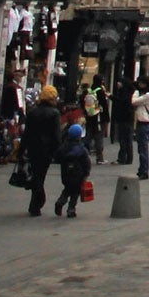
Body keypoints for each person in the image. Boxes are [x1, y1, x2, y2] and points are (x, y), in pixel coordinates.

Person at [22, 83, 63, 217]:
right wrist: (58, 152)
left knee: (37, 175)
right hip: (47, 150)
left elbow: (26, 132)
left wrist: (21, 149)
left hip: (33, 148)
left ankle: (34, 204)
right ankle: (37, 203)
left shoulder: (33, 111)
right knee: (40, 176)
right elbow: (57, 135)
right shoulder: (54, 113)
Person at [52, 123, 91, 217]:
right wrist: (86, 173)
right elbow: (87, 163)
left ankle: (60, 202)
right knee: (75, 193)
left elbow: (57, 157)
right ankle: (71, 209)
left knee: (67, 189)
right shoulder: (82, 149)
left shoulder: (64, 147)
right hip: (78, 175)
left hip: (66, 174)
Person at [130, 81, 149, 180]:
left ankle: (144, 171)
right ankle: (142, 169)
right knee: (142, 148)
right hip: (145, 124)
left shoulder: (148, 96)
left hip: (143, 124)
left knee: (143, 149)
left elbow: (133, 101)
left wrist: (136, 93)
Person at [112, 78, 135, 166]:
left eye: (119, 82)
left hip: (124, 119)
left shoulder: (125, 94)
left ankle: (123, 158)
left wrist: (111, 97)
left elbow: (121, 102)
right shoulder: (128, 93)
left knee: (124, 139)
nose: (117, 84)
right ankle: (128, 158)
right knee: (127, 139)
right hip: (127, 119)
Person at [82, 81, 106, 161]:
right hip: (98, 118)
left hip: (89, 118)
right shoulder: (101, 91)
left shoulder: (88, 91)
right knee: (99, 137)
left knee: (88, 136)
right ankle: (100, 158)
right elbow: (104, 105)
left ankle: (82, 154)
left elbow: (82, 103)